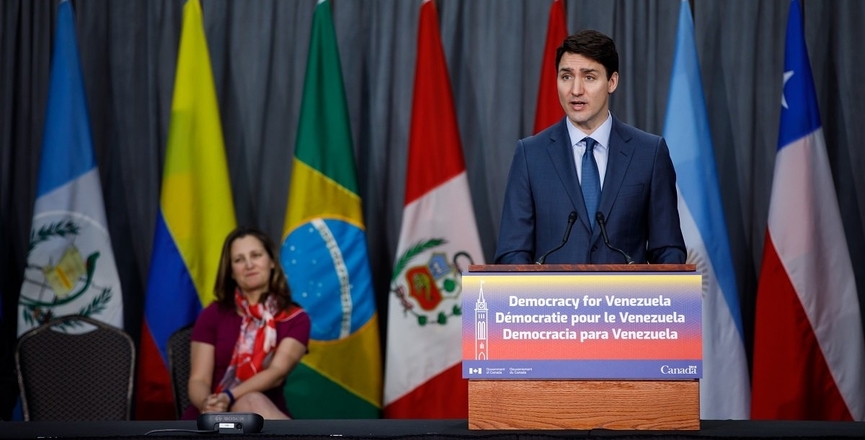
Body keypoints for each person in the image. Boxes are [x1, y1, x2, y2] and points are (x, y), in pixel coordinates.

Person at [495, 29, 686, 265]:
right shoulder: (530, 155)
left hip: (626, 300)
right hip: (552, 300)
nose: (575, 90)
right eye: (566, 76)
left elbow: (668, 250)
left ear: (612, 82)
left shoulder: (649, 153)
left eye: (589, 77)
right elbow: (512, 253)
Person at [183, 226, 311, 420]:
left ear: (271, 262)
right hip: (211, 413)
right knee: (249, 402)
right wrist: (207, 404)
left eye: (256, 255)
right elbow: (198, 379)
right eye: (239, 260)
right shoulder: (213, 313)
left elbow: (277, 373)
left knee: (252, 401)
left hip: (267, 412)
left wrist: (230, 396)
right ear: (232, 272)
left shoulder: (295, 318)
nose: (249, 265)